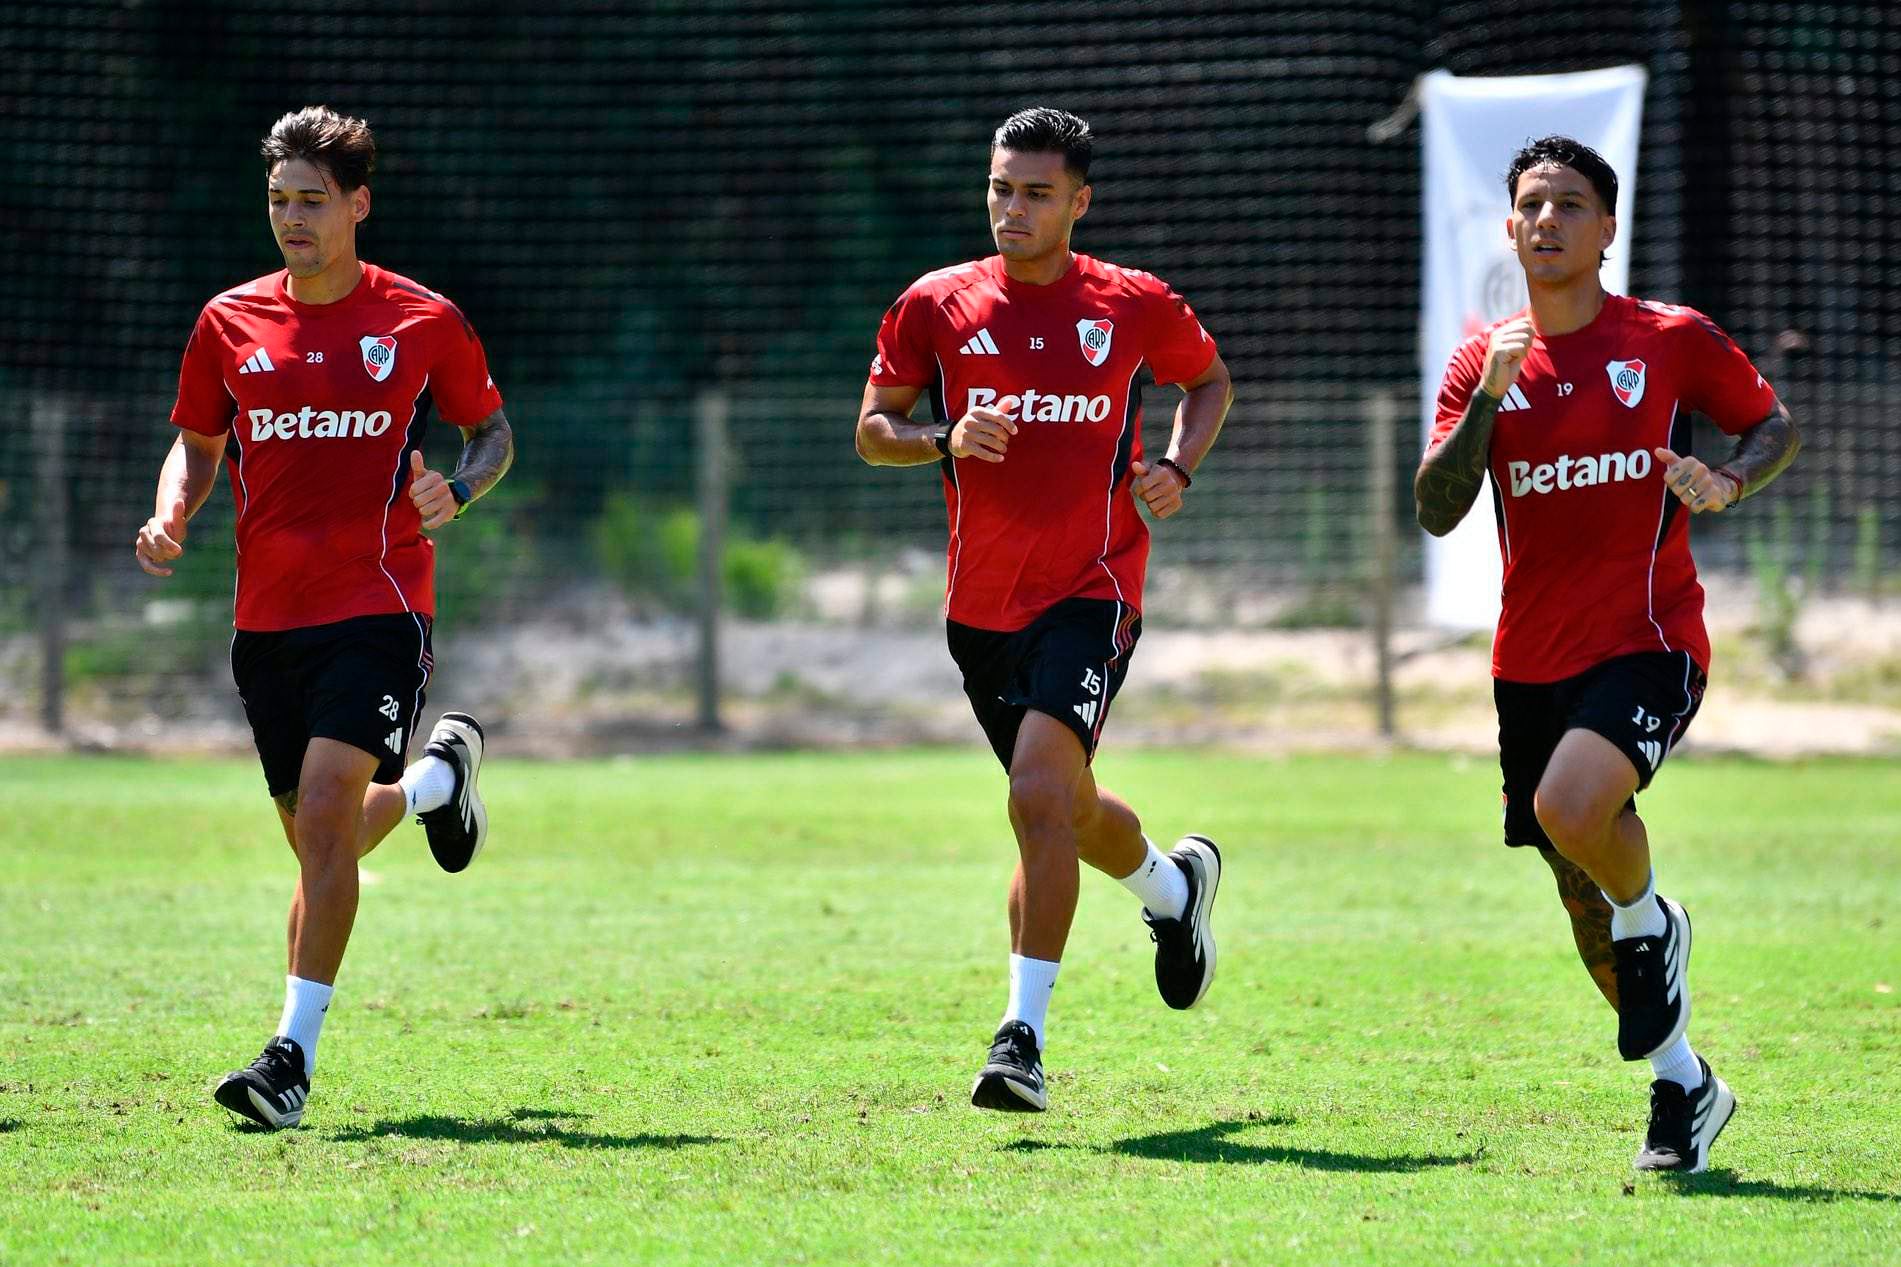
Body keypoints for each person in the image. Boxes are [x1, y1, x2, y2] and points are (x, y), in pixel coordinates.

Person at [1416, 135, 1800, 1172]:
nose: (1546, 220)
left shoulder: (1666, 338)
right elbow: (1435, 509)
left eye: (1568, 205)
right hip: (1526, 664)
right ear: (1507, 227)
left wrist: (1724, 482)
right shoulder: (1479, 363)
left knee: (1570, 812)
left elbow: (1770, 425)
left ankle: (1649, 914)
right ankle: (1683, 1083)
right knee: (1579, 903)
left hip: (1647, 639)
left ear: (1605, 229)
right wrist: (1488, 400)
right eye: (1530, 205)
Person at [135, 106, 516, 1130]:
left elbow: (491, 434)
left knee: (323, 819)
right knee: (323, 840)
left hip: (381, 602)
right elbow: (199, 446)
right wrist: (173, 510)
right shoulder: (227, 322)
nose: (291, 218)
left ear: (357, 205)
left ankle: (289, 1057)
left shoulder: (420, 320)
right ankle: (439, 780)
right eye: (277, 200)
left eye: (310, 200)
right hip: (266, 618)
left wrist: (460, 493)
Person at [855, 107, 1236, 1112]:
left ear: (1078, 202)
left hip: (1092, 591)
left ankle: (1019, 1037)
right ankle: (1170, 888)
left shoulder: (1131, 303)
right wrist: (942, 436)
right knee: (1061, 810)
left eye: (1032, 193)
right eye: (998, 188)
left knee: (1032, 796)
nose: (1009, 209)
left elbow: (1206, 382)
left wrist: (1176, 467)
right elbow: (872, 431)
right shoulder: (934, 306)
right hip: (980, 613)